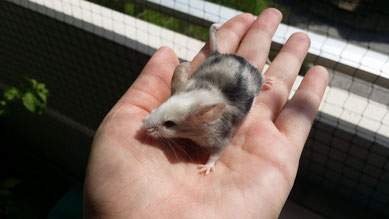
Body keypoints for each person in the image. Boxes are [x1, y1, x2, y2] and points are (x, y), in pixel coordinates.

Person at [84, 8, 328, 218]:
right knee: (212, 70)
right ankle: (222, 61)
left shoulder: (212, 128)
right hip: (219, 75)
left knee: (251, 83)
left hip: (240, 80)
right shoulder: (186, 98)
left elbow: (222, 141)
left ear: (204, 120)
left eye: (168, 124)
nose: (150, 127)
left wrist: (212, 162)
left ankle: (256, 77)